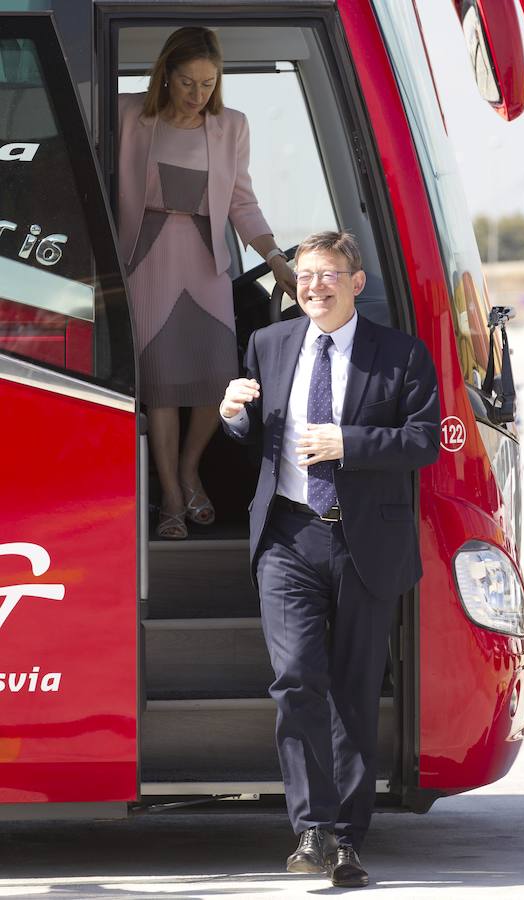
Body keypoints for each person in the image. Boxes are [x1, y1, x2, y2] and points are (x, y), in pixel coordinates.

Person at [220, 230, 440, 887]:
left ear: (355, 282)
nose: (313, 285)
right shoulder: (268, 344)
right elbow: (249, 440)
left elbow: (423, 442)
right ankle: (311, 828)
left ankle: (346, 838)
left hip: (362, 541)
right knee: (293, 679)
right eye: (305, 275)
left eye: (328, 275)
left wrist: (348, 442)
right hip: (288, 538)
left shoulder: (399, 354)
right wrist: (231, 415)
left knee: (351, 693)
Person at [118, 26, 295, 538]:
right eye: (188, 83)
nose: (199, 96)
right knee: (162, 384)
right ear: (166, 76)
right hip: (146, 260)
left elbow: (242, 201)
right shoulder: (129, 115)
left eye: (208, 84)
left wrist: (275, 257)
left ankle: (191, 466)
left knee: (215, 378)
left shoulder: (231, 126)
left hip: (205, 261)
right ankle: (172, 492)